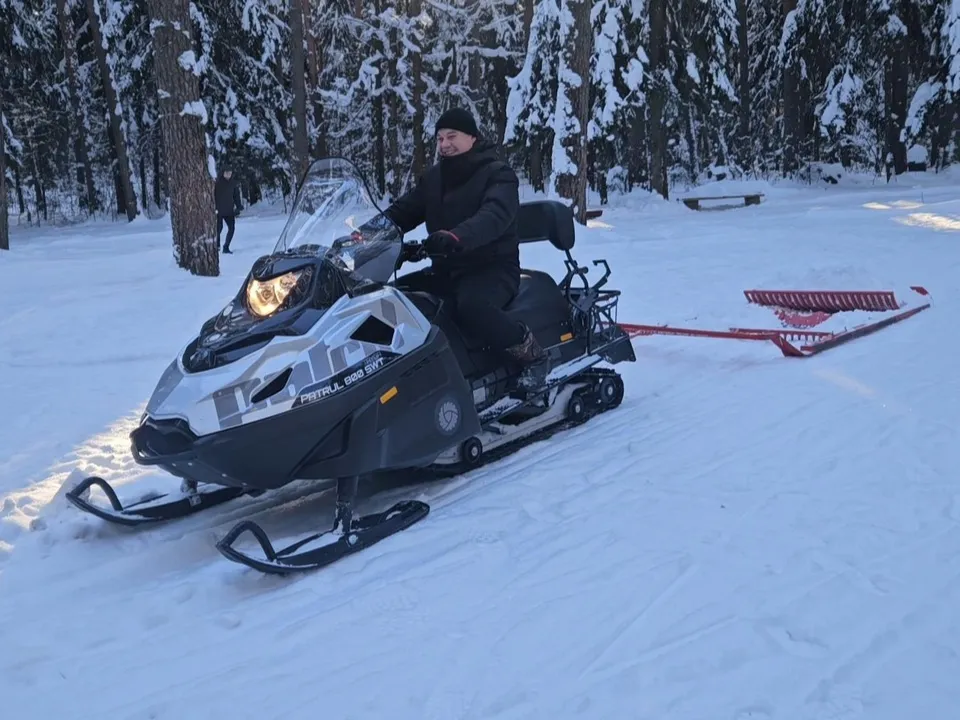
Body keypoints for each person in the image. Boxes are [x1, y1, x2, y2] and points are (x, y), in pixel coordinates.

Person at [381, 107, 548, 390]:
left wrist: (457, 237)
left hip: (492, 268)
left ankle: (533, 356)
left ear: (472, 137)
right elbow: (402, 212)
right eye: (440, 138)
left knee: (473, 307)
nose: (444, 144)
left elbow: (494, 216)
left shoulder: (498, 174)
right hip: (446, 270)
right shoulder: (434, 179)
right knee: (392, 300)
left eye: (452, 136)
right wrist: (366, 235)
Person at [215, 166, 243, 253]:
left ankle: (226, 247)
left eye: (230, 173)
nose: (228, 175)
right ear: (223, 173)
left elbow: (236, 196)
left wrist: (238, 206)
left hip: (229, 210)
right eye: (227, 173)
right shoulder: (217, 183)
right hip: (218, 210)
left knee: (231, 228)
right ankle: (216, 246)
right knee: (218, 229)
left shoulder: (233, 183)